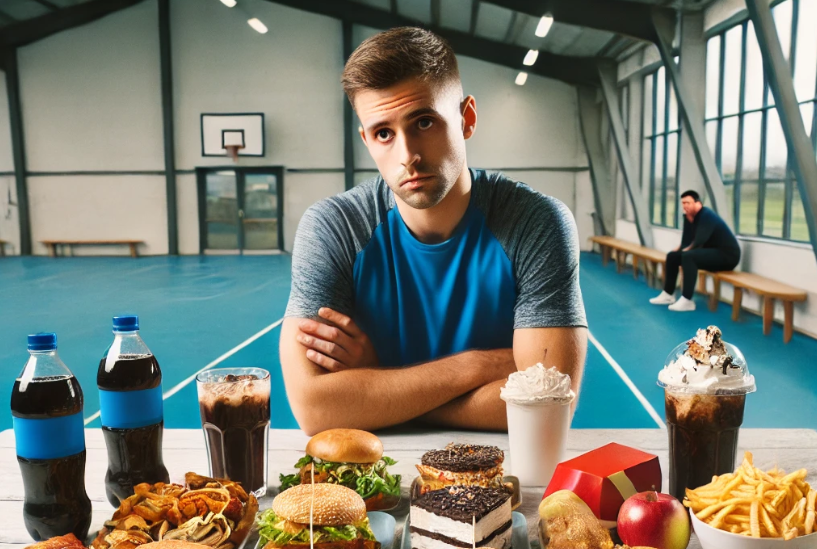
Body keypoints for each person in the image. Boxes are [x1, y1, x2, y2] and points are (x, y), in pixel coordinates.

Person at [280, 27, 587, 434]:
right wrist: (480, 365)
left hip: (505, 475)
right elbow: (315, 409)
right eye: (383, 133)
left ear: (467, 118)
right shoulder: (334, 227)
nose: (407, 156)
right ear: (366, 140)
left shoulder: (536, 222)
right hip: (379, 475)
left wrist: (376, 391)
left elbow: (548, 406)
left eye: (424, 122)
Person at [650, 190, 741, 312]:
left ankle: (687, 300)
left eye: (687, 203)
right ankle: (668, 294)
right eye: (683, 203)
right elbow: (686, 242)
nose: (684, 206)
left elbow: (699, 241)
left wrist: (684, 253)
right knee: (672, 256)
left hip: (728, 256)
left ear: (698, 203)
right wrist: (677, 252)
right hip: (712, 253)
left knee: (689, 256)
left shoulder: (707, 215)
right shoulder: (689, 216)